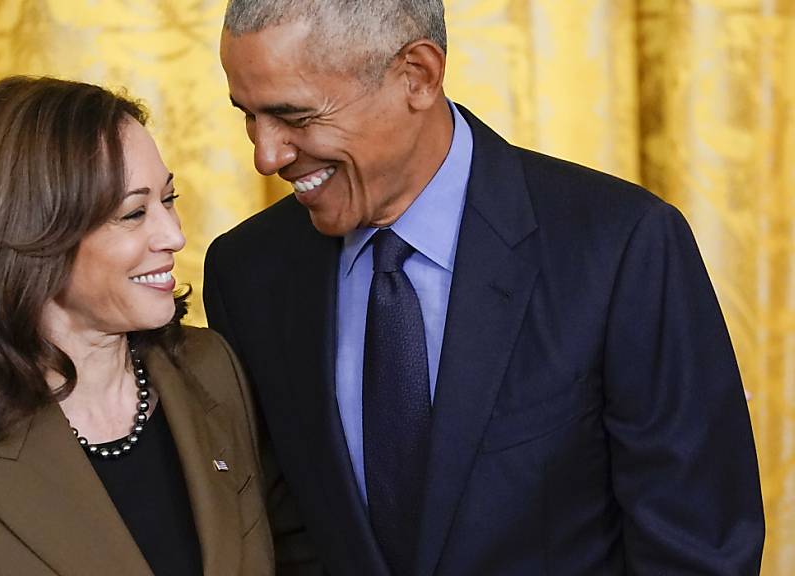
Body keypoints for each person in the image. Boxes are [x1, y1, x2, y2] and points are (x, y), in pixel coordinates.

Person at [203, 1, 765, 575]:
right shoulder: (248, 272)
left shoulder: (620, 246)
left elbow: (697, 547)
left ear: (417, 76)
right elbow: (281, 532)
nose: (266, 156)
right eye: (248, 116)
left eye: (294, 116)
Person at [0, 76, 272, 576]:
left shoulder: (214, 368)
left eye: (168, 200)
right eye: (133, 213)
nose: (173, 235)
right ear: (29, 236)